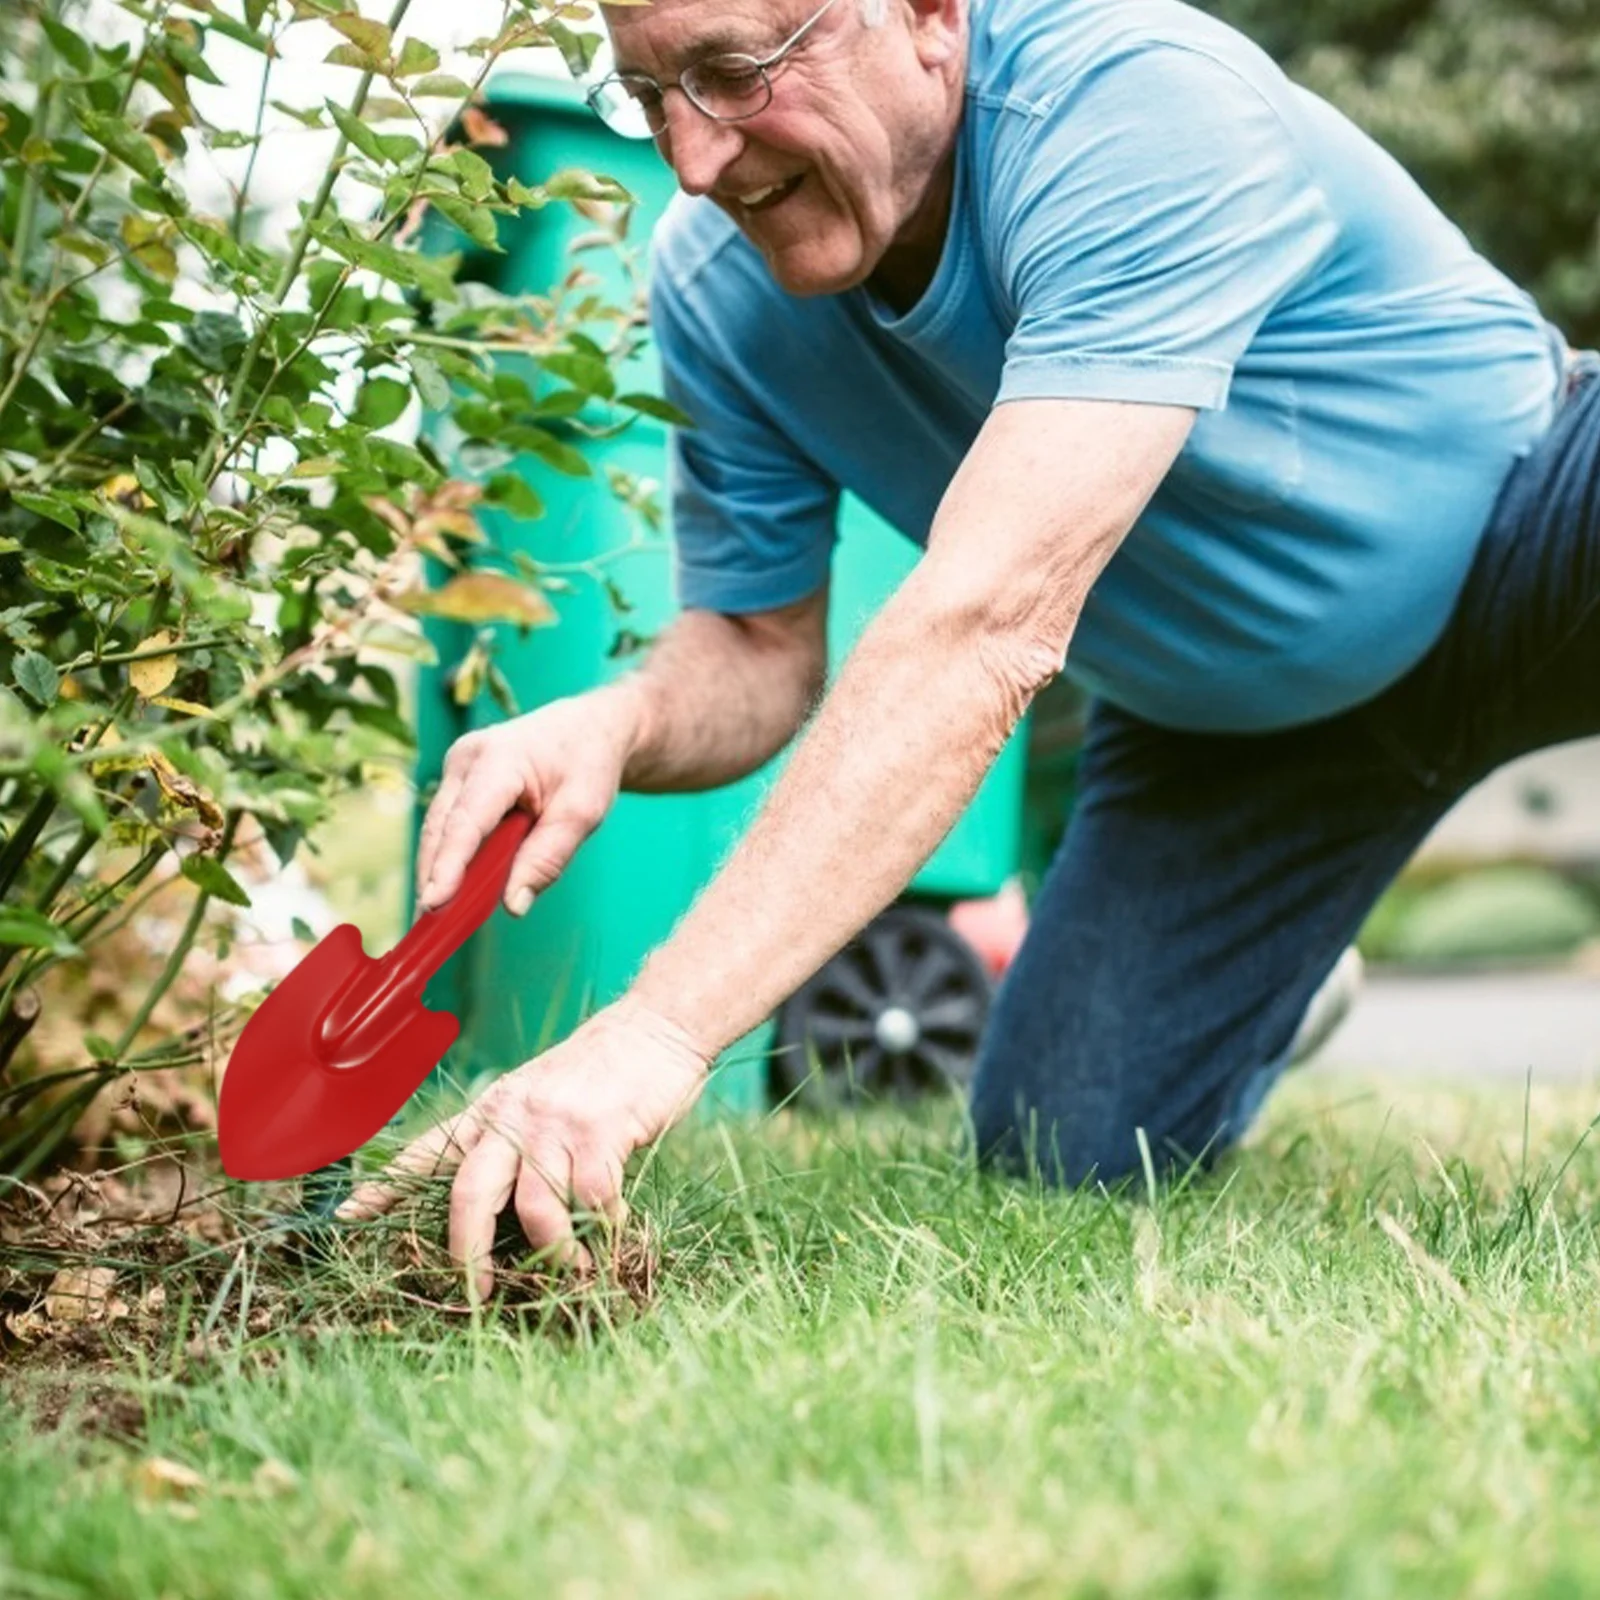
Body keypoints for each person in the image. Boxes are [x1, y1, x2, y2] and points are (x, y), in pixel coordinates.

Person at [341, 0, 1600, 1297]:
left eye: (734, 72)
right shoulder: (720, 294)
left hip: (1532, 527)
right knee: (1061, 1150)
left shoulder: (1124, 103)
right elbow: (759, 652)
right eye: (651, 96)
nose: (695, 160)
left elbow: (991, 621)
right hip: (1232, 734)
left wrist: (654, 1033)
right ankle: (1280, 974)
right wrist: (618, 722)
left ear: (929, 15)